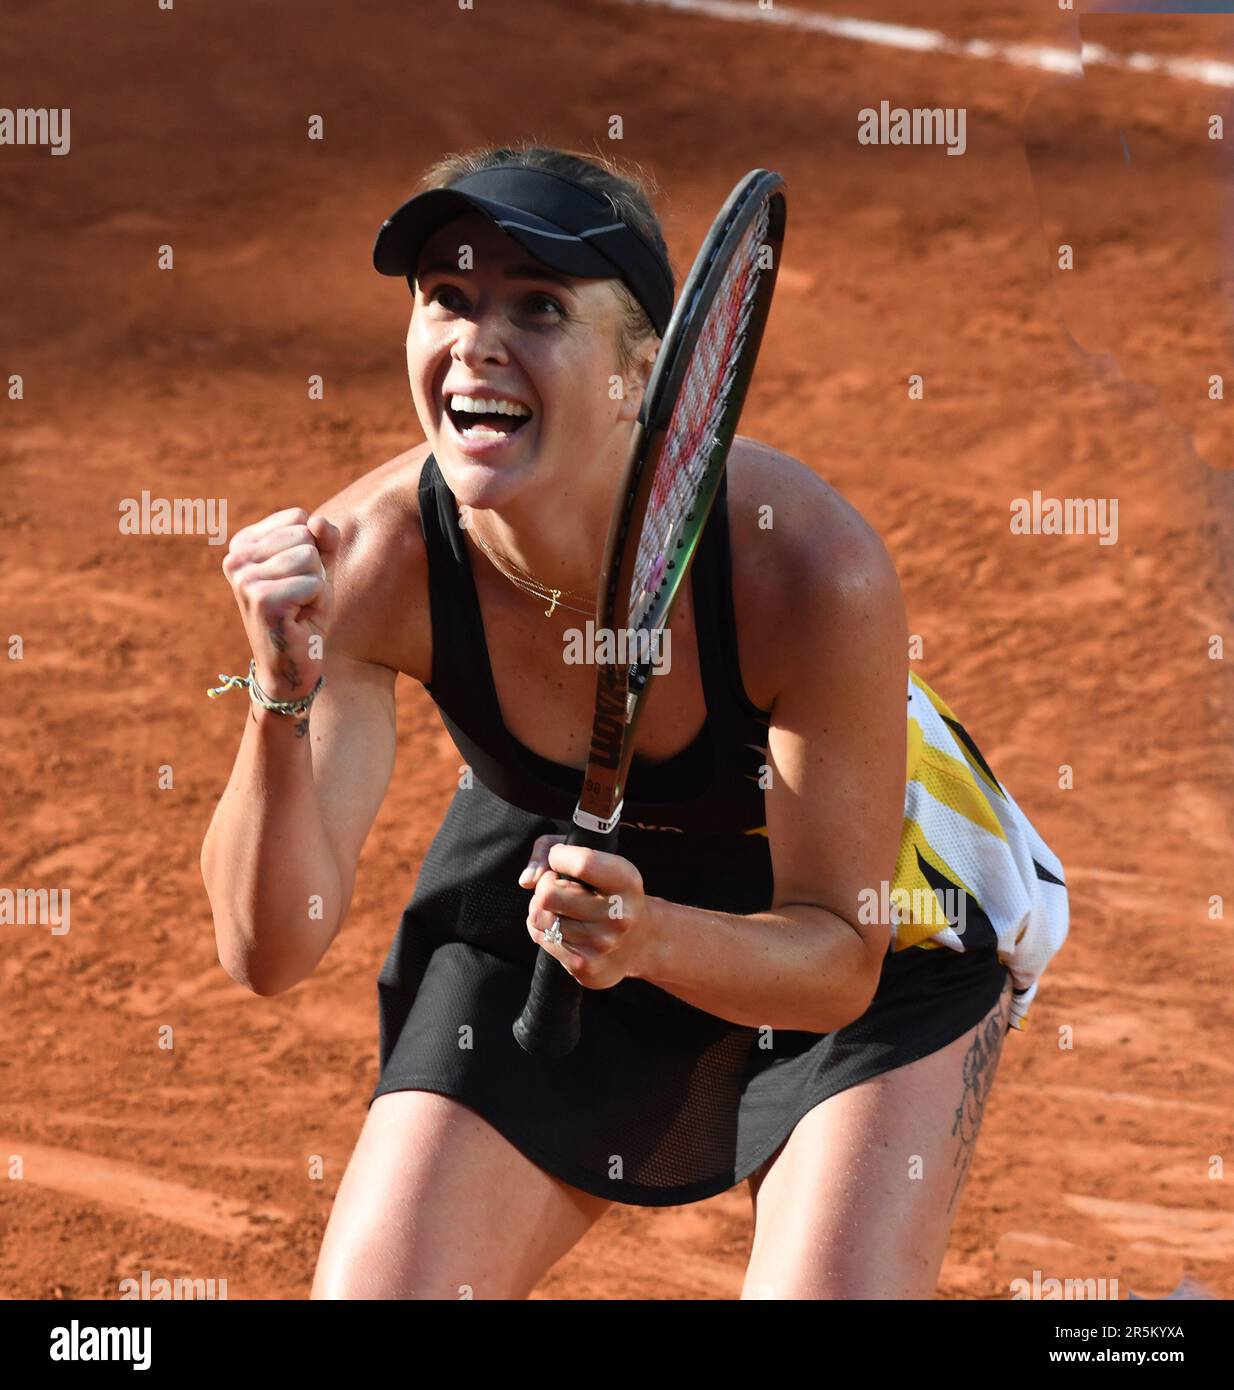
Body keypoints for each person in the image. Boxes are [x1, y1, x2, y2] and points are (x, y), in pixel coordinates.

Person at [199, 143, 1068, 1300]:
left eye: (539, 306)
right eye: (446, 299)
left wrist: (654, 939)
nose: (477, 341)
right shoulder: (372, 564)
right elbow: (270, 949)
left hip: (850, 926)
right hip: (560, 899)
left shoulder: (803, 569)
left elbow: (833, 959)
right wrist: (280, 691)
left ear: (646, 370)